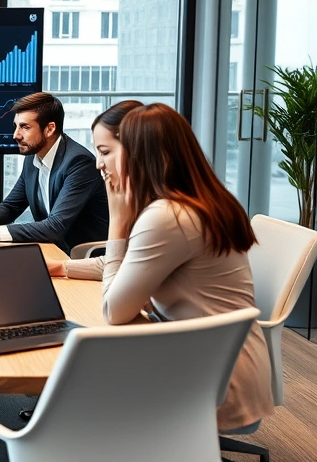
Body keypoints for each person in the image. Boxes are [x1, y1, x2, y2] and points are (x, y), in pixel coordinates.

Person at [100, 103, 273, 432]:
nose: (101, 164)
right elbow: (134, 269)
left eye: (112, 151)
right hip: (223, 363)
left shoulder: (168, 216)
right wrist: (67, 267)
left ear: (142, 156)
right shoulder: (203, 200)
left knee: (86, 387)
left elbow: (113, 310)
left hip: (212, 382)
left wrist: (117, 222)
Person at [0, 92, 108, 252]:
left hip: (78, 255)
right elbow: (10, 207)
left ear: (49, 129)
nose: (16, 135)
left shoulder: (79, 163)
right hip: (49, 248)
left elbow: (55, 226)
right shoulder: (34, 156)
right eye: (16, 126)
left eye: (25, 127)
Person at [44, 100, 145, 280]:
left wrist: (117, 218)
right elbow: (116, 264)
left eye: (105, 152)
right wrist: (59, 267)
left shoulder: (163, 217)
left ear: (136, 150)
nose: (98, 164)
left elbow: (114, 305)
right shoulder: (146, 202)